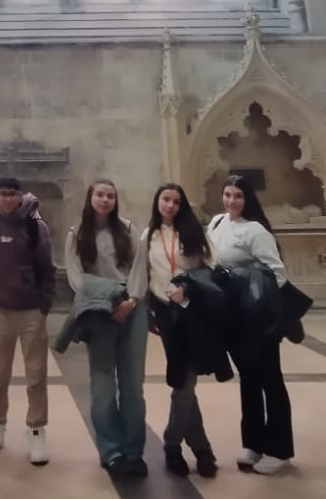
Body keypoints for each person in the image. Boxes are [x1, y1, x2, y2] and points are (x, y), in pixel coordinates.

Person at [131, 184, 217, 478]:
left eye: (176, 201)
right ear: (157, 202)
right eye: (166, 199)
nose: (170, 205)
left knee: (185, 383)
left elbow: (212, 268)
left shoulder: (193, 232)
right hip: (167, 316)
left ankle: (173, 444)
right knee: (183, 381)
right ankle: (201, 449)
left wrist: (188, 287)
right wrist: (146, 310)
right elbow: (144, 274)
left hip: (193, 313)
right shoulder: (149, 236)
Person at [208, 174, 292, 474]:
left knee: (270, 379)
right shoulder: (216, 223)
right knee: (249, 378)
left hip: (260, 318)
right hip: (234, 317)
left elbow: (277, 273)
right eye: (228, 194)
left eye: (238, 196)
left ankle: (279, 450)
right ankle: (253, 443)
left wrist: (247, 289)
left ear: (248, 199)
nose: (232, 201)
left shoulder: (255, 230)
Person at [65, 179, 147, 478]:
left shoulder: (127, 229)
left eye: (110, 196)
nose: (105, 200)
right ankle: (111, 451)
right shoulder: (77, 233)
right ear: (90, 198)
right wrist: (100, 298)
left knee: (132, 385)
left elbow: (140, 267)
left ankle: (134, 451)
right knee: (102, 386)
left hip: (131, 307)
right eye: (100, 195)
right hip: (98, 310)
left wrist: (132, 300)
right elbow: (75, 274)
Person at [0, 177, 55, 465]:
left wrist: (43, 305)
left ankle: (36, 430)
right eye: (2, 194)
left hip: (30, 311)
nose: (7, 199)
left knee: (36, 375)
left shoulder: (35, 226)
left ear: (20, 196)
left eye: (12, 194)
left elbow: (48, 267)